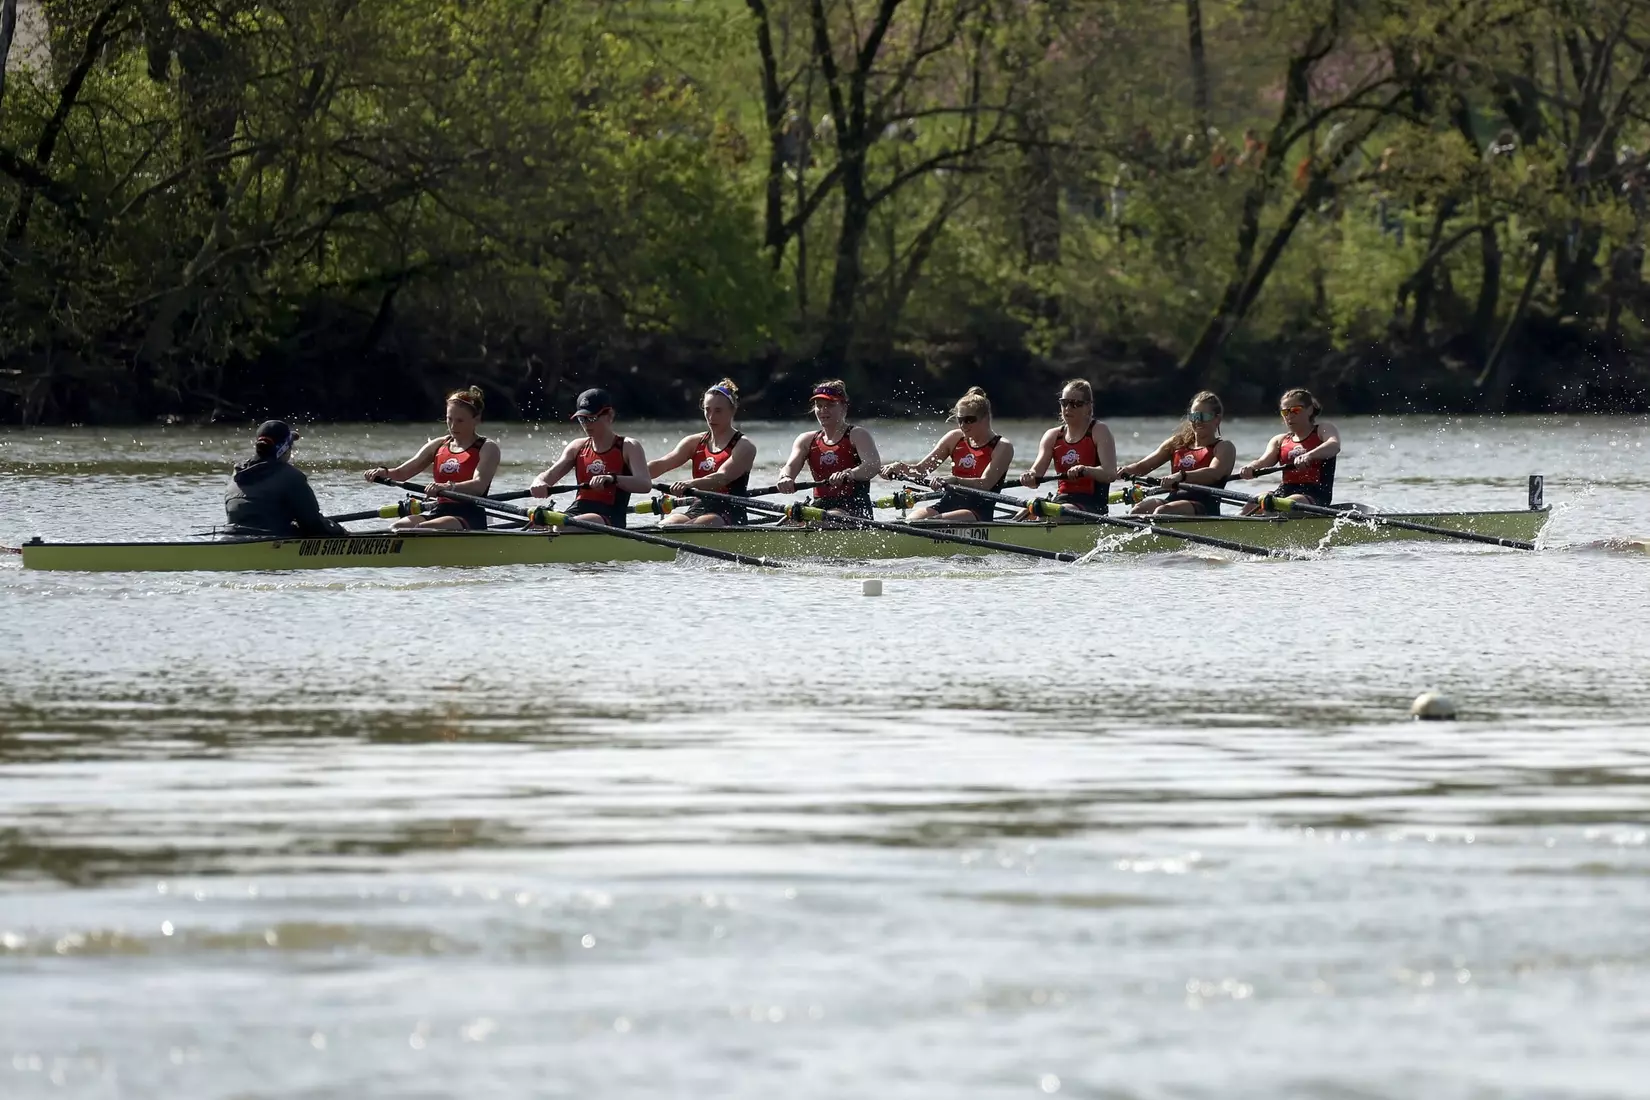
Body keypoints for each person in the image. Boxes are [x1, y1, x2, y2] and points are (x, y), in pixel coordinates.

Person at [365, 386, 502, 531]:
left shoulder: (487, 448)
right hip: (439, 510)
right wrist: (383, 472)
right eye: (449, 419)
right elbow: (402, 473)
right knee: (397, 527)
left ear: (476, 419)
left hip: (469, 516)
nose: (453, 426)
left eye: (460, 420)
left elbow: (479, 486)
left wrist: (448, 487)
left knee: (421, 529)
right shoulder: (438, 445)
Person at [880, 387, 1014, 522]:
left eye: (969, 420)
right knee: (911, 520)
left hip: (977, 511)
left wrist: (955, 480)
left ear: (985, 418)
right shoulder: (954, 438)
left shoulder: (1002, 446)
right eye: (960, 419)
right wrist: (899, 467)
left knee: (932, 523)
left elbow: (984, 484)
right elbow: (920, 470)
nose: (962, 425)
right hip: (947, 504)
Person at [529, 387, 652, 528]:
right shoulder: (577, 447)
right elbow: (548, 477)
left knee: (561, 526)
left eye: (592, 418)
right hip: (576, 513)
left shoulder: (629, 446)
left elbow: (645, 484)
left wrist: (612, 479)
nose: (586, 425)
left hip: (609, 518)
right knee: (536, 524)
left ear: (610, 415)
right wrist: (538, 481)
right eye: (582, 419)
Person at [647, 378, 758, 527]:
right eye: (707, 409)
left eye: (718, 411)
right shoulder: (694, 442)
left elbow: (722, 478)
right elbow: (663, 464)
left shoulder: (744, 446)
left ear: (733, 410)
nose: (711, 417)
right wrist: (626, 473)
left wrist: (689, 484)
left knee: (692, 527)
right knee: (665, 525)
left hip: (729, 512)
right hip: (698, 507)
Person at [1115, 391, 1236, 515]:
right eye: (1194, 416)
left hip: (1203, 506)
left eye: (1203, 417)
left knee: (1162, 511)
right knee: (1138, 510)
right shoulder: (1176, 443)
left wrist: (1181, 476)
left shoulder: (1224, 447)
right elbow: (1142, 467)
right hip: (1172, 501)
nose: (1197, 421)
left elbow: (1214, 473)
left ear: (1217, 419)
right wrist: (1124, 470)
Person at [775, 380, 881, 518]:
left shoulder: (857, 435)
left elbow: (873, 465)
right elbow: (789, 466)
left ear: (844, 407)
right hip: (820, 506)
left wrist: (851, 474)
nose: (823, 410)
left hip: (854, 508)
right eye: (819, 406)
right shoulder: (806, 440)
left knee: (821, 519)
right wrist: (785, 478)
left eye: (830, 405)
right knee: (791, 522)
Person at [224, 421, 346, 537]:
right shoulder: (291, 476)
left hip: (233, 535)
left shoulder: (237, 473)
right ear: (284, 449)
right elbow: (314, 525)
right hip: (271, 541)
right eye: (291, 446)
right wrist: (340, 531)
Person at [1017, 379, 1117, 519]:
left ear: (1088, 407)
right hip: (1061, 501)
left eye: (1075, 404)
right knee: (1023, 514)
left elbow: (1110, 474)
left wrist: (1085, 470)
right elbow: (1036, 476)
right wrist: (1029, 476)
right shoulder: (1053, 436)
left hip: (1092, 506)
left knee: (1049, 515)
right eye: (1064, 403)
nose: (1068, 408)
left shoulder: (1099, 431)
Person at [1238, 388, 1341, 512]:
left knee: (1285, 503)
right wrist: (1250, 467)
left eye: (1295, 410)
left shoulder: (1323, 429)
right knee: (1254, 500)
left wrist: (1309, 455)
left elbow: (1334, 445)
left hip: (1315, 494)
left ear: (1309, 410)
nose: (1289, 416)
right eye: (1285, 412)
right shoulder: (1280, 440)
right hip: (1284, 491)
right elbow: (1263, 461)